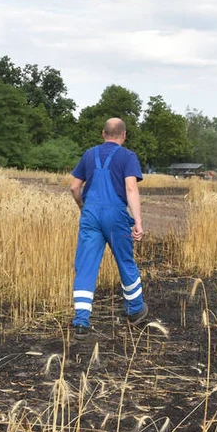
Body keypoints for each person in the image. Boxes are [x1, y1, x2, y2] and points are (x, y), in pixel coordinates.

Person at [69, 117, 147, 337]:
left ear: (103, 134)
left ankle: (81, 321)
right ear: (123, 135)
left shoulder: (88, 154)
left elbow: (75, 187)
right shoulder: (128, 157)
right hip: (116, 215)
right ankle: (135, 310)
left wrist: (84, 208)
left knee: (85, 266)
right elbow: (131, 189)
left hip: (91, 214)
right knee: (125, 261)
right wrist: (138, 222)